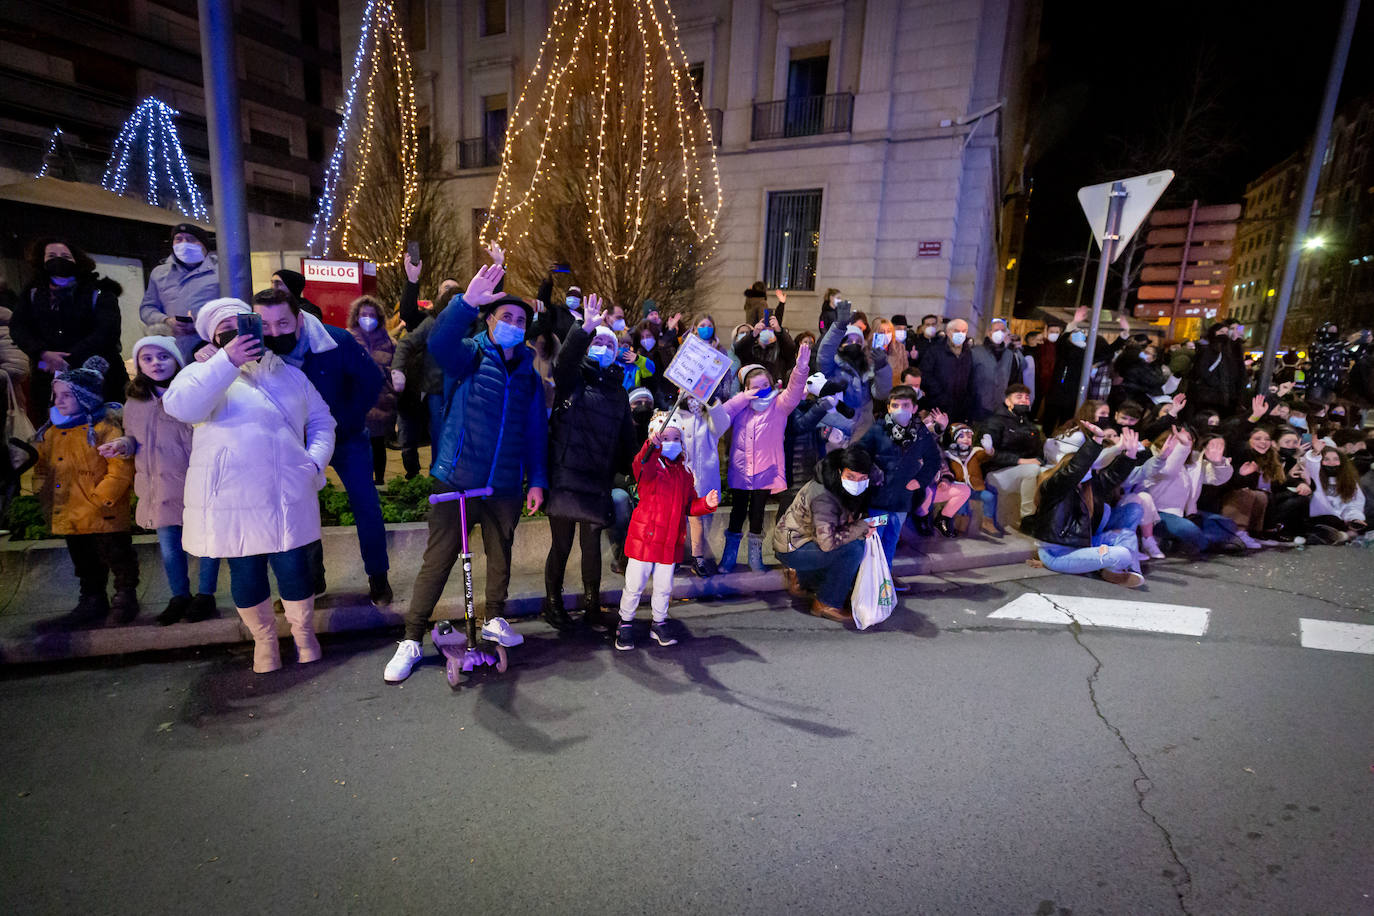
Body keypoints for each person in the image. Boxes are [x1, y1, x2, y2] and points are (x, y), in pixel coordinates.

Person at [384, 263, 547, 685]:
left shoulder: (529, 372)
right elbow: (438, 344)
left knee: (501, 555)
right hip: (457, 478)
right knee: (438, 560)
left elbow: (534, 431)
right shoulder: (470, 355)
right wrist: (465, 303)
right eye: (505, 317)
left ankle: (495, 618)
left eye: (520, 320)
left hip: (506, 484)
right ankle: (412, 638)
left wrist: (538, 480)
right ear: (490, 320)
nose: (512, 325)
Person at [164, 299, 335, 673]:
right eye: (225, 330)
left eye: (242, 326)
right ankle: (265, 642)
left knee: (294, 569)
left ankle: (304, 635)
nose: (237, 335)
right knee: (246, 572)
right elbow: (181, 407)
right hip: (232, 498)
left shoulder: (289, 374)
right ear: (214, 337)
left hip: (286, 492)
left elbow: (322, 420)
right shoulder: (203, 374)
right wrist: (224, 362)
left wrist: (313, 462)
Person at [251, 288, 390, 604]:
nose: (275, 333)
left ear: (298, 318)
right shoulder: (255, 348)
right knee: (300, 509)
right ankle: (313, 580)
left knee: (365, 504)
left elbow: (370, 379)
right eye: (266, 325)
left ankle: (379, 577)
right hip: (293, 444)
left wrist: (346, 419)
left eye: (283, 324)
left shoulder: (336, 341)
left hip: (346, 438)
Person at [103, 337, 222, 625]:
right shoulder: (135, 401)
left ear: (177, 361)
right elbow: (134, 437)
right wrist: (122, 444)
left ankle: (205, 596)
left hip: (193, 482)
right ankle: (179, 596)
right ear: (139, 364)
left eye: (163, 357)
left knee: (207, 542)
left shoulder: (191, 393)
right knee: (170, 548)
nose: (156, 363)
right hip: (157, 488)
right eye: (148, 358)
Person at [542, 301, 636, 630]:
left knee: (591, 545)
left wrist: (641, 468)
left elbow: (628, 442)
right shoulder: (573, 379)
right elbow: (565, 360)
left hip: (597, 480)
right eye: (598, 342)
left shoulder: (618, 393)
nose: (603, 348)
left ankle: (592, 603)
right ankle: (552, 603)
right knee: (562, 544)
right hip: (565, 476)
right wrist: (583, 330)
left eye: (609, 344)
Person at [32, 355, 139, 627]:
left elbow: (120, 468)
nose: (59, 401)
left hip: (103, 511)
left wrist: (103, 497)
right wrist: (40, 487)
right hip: (71, 509)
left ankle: (125, 597)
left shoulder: (105, 429)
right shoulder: (52, 432)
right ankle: (92, 598)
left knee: (117, 555)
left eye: (67, 395)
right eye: (56, 395)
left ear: (87, 397)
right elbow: (43, 464)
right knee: (84, 561)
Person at [614, 416, 720, 651]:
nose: (671, 443)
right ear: (655, 439)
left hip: (670, 542)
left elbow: (689, 505)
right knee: (634, 584)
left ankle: (659, 622)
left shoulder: (684, 472)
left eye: (676, 438)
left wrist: (707, 503)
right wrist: (651, 447)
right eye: (665, 438)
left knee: (664, 587)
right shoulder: (650, 467)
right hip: (645, 539)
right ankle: (626, 622)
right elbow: (641, 464)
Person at [11, 238, 128, 426]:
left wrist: (67, 359)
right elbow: (18, 328)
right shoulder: (32, 294)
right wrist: (42, 353)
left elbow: (107, 330)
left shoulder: (99, 291)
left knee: (104, 432)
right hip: (48, 376)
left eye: (65, 256)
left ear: (77, 260)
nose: (59, 260)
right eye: (51, 256)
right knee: (57, 434)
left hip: (99, 377)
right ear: (41, 260)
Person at [719, 341, 812, 572]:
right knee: (737, 513)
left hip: (765, 470)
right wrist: (743, 398)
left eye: (764, 384)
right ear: (745, 388)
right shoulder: (740, 406)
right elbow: (722, 416)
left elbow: (793, 392)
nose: (760, 389)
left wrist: (801, 367)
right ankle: (729, 556)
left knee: (758, 515)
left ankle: (755, 556)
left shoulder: (778, 405)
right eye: (754, 386)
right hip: (741, 470)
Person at [1023, 423, 1147, 588]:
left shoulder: (1087, 487)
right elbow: (1074, 470)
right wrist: (1096, 441)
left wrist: (1130, 455)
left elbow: (1112, 477)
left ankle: (1124, 571)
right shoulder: (1053, 487)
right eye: (1084, 468)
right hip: (1056, 554)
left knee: (1127, 535)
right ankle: (1113, 566)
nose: (1088, 471)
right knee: (1122, 553)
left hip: (1081, 545)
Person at [772, 446, 878, 623]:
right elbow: (827, 543)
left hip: (804, 540)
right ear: (839, 471)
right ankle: (826, 603)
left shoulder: (837, 485)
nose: (857, 482)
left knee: (851, 545)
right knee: (853, 550)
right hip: (793, 547)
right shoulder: (824, 495)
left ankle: (803, 578)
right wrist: (861, 527)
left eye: (863, 478)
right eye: (851, 477)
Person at [859, 385, 942, 564]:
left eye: (905, 405)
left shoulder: (920, 433)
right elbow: (858, 453)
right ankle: (869, 581)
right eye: (895, 405)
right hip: (878, 499)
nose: (900, 410)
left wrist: (919, 481)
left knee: (891, 540)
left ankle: (885, 579)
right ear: (888, 407)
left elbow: (934, 460)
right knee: (874, 541)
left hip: (902, 500)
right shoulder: (878, 430)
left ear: (914, 408)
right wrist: (873, 473)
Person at [1137, 426, 1249, 553]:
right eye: (1180, 439)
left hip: (1188, 514)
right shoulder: (1155, 458)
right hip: (1158, 514)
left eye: (1189, 440)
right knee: (1189, 530)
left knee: (1227, 524)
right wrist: (1182, 447)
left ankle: (1182, 542)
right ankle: (1206, 544)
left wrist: (1217, 463)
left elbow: (1217, 479)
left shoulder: (1193, 462)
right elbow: (1169, 470)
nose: (1186, 443)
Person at [140, 224, 219, 359]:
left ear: (204, 245)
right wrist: (165, 320)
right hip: (171, 349)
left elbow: (234, 310)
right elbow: (147, 308)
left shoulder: (220, 271)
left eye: (190, 239)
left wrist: (203, 324)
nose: (184, 243)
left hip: (209, 347)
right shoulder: (160, 273)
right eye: (179, 239)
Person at [817, 300, 892, 440]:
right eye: (849, 340)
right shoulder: (831, 366)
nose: (854, 344)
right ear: (840, 344)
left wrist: (882, 367)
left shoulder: (867, 367)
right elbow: (824, 353)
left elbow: (881, 393)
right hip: (835, 427)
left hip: (863, 427)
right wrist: (839, 327)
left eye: (858, 342)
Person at [347, 295, 399, 485]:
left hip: (380, 401)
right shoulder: (348, 339)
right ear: (356, 316)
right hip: (356, 404)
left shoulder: (389, 342)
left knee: (378, 444)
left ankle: (380, 480)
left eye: (372, 314)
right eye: (363, 314)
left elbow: (396, 369)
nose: (367, 318)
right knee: (360, 445)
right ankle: (362, 481)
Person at [978, 384, 1044, 530]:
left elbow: (1039, 453)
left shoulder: (1030, 426)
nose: (1024, 401)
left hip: (1019, 472)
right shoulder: (994, 422)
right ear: (1008, 402)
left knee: (1047, 471)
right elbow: (987, 454)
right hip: (995, 473)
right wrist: (1020, 461)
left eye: (1027, 398)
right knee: (1032, 469)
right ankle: (1027, 519)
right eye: (1019, 397)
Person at [945, 422, 1000, 535]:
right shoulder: (949, 456)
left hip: (975, 488)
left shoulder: (974, 452)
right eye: (961, 436)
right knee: (962, 503)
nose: (966, 439)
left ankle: (988, 522)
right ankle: (961, 524)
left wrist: (988, 449)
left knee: (989, 497)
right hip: (959, 488)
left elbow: (984, 455)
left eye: (969, 437)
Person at [1304, 447, 1366, 543]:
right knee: (1331, 519)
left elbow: (1354, 505)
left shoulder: (1349, 481)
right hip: (1317, 518)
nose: (1331, 463)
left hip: (1342, 520)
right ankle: (1343, 536)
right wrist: (1315, 453)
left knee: (1365, 524)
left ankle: (1340, 535)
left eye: (1335, 459)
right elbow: (1312, 465)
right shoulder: (1314, 477)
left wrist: (1355, 519)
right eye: (1326, 459)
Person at [918, 317, 973, 422]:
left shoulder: (968, 353)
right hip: (938, 407)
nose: (960, 334)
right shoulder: (935, 350)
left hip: (960, 409)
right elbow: (925, 375)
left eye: (964, 331)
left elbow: (970, 379)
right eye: (956, 331)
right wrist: (940, 395)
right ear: (948, 332)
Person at [969, 317, 1021, 422]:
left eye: (1002, 331)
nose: (1000, 333)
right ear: (989, 332)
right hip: (978, 405)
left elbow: (1013, 379)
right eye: (996, 330)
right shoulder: (975, 352)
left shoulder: (1009, 354)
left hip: (1000, 406)